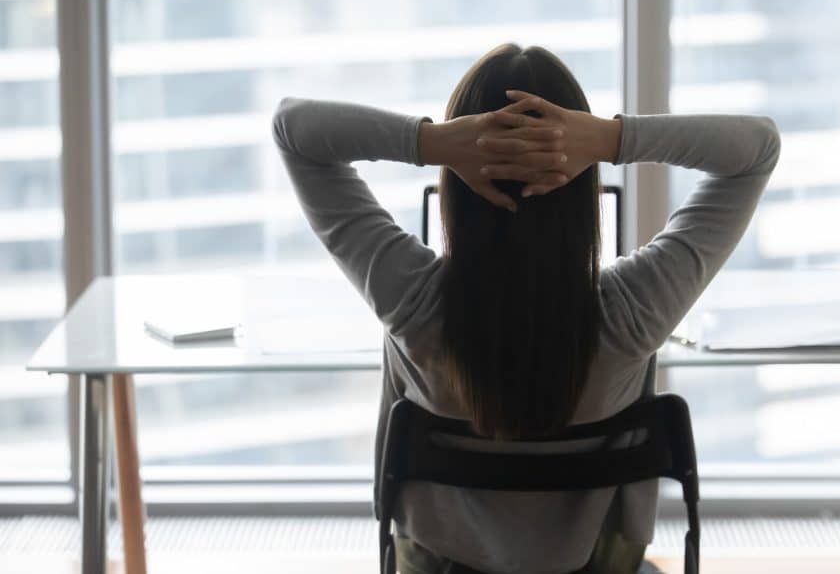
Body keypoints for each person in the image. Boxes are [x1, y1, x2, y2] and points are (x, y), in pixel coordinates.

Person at [272, 43, 781, 574]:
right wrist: (611, 138)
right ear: (582, 185)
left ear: (455, 185)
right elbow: (758, 149)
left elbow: (293, 130)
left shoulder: (412, 302)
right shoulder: (634, 313)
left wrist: (432, 142)